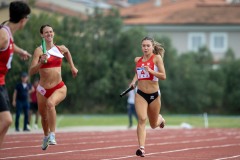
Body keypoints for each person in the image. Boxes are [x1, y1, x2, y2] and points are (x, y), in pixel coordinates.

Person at [29, 24, 78, 150]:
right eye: (46, 32)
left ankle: (52, 135)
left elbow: (67, 52)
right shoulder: (39, 51)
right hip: (43, 90)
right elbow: (31, 71)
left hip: (59, 87)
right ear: (42, 35)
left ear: (53, 33)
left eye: (51, 32)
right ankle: (45, 136)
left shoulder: (59, 48)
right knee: (43, 116)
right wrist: (41, 62)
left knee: (51, 104)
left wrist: (72, 67)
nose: (49, 34)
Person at [0, 1, 31, 147]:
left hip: (2, 82)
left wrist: (21, 52)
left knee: (5, 124)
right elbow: (4, 42)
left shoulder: (8, 32)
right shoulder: (3, 36)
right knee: (7, 120)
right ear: (23, 20)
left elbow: (10, 45)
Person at [129, 36, 166, 157]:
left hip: (154, 95)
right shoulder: (137, 60)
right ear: (141, 47)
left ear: (152, 46)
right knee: (142, 119)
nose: (145, 48)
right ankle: (142, 148)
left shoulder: (157, 58)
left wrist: (151, 71)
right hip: (140, 94)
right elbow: (137, 72)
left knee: (153, 124)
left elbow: (163, 76)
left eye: (148, 46)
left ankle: (161, 119)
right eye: (143, 45)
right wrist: (133, 82)